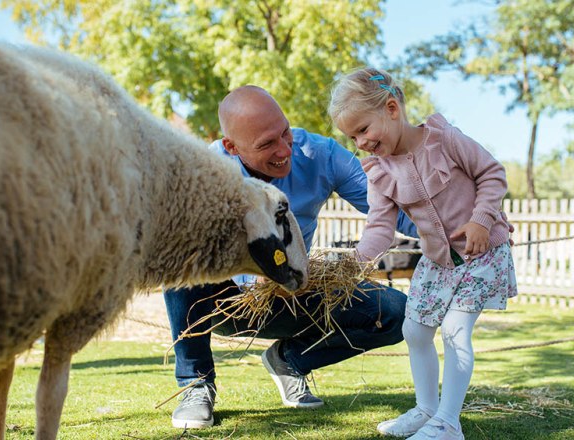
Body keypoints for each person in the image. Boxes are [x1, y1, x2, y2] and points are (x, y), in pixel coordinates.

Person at [164, 85, 419, 429]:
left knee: (395, 313)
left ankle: (290, 359)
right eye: (267, 144)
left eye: (285, 132)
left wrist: (461, 227)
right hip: (224, 302)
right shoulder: (206, 169)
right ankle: (196, 383)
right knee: (180, 254)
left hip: (295, 294)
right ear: (231, 147)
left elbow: (393, 206)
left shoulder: (321, 155)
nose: (285, 150)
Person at [328, 67, 518, 440]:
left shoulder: (444, 139)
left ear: (392, 108)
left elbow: (492, 174)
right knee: (414, 330)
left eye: (364, 129)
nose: (361, 141)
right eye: (352, 136)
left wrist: (481, 220)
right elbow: (381, 226)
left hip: (482, 252)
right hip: (438, 260)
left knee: (454, 331)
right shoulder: (379, 172)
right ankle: (427, 409)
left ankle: (448, 423)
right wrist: (354, 262)